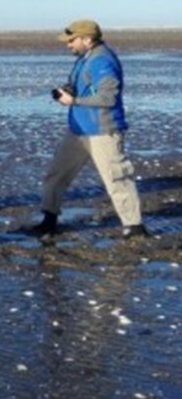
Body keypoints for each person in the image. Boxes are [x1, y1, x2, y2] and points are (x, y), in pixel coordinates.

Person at [28, 19, 147, 239]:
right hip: (78, 130)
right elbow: (85, 88)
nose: (68, 45)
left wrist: (74, 100)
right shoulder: (85, 59)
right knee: (56, 175)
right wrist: (68, 91)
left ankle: (134, 227)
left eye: (71, 40)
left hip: (103, 131)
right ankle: (49, 220)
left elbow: (108, 98)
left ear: (87, 39)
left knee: (117, 179)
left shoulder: (103, 60)